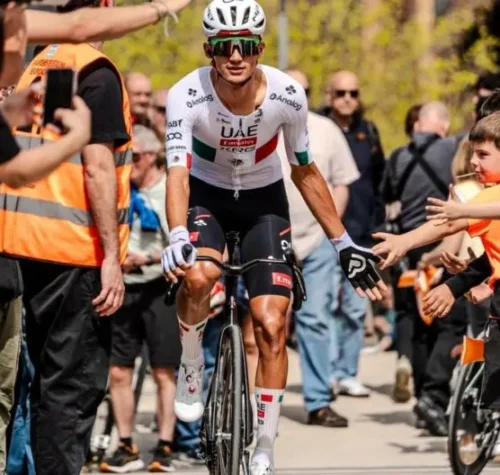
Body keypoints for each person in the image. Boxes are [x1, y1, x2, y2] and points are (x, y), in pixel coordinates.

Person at [160, 1, 386, 473]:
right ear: (209, 50)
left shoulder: (287, 94)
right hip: (206, 193)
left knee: (270, 321)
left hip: (264, 200)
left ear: (260, 49)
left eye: (245, 45)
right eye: (225, 46)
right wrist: (178, 233)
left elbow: (305, 171)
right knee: (198, 276)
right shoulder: (187, 94)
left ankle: (264, 444)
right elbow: (177, 173)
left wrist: (343, 243)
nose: (235, 55)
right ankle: (191, 363)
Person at [0, 0, 133, 472]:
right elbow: (98, 168)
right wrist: (111, 257)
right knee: (70, 392)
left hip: (20, 245)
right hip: (74, 252)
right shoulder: (95, 71)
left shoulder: (34, 64)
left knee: (30, 386)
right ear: (106, 7)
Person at [373, 111, 500, 411]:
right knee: (494, 396)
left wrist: (462, 211)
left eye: (483, 155)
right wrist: (404, 242)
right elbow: (449, 226)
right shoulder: (486, 196)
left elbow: (457, 218)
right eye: (473, 154)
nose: (473, 162)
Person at [276, 67, 360, 427]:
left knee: (315, 319)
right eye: (288, 89)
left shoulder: (326, 130)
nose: (296, 96)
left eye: (303, 90)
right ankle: (259, 404)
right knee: (267, 321)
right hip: (269, 236)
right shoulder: (260, 126)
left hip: (316, 242)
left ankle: (318, 401)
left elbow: (341, 183)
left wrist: (332, 230)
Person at [99, 125, 181, 473]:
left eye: (131, 157)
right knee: (119, 370)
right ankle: (125, 443)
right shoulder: (120, 189)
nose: (125, 163)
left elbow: (182, 244)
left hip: (160, 285)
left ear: (149, 156)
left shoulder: (168, 190)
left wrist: (147, 259)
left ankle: (164, 444)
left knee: (163, 370)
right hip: (125, 286)